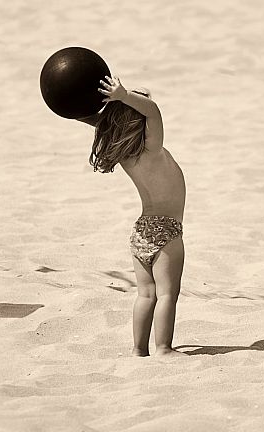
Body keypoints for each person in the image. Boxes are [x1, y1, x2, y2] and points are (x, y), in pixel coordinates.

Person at [80, 75, 187, 357]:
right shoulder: (152, 150)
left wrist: (75, 110)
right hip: (166, 230)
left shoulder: (127, 154)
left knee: (146, 295)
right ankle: (163, 348)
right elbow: (153, 111)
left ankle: (139, 349)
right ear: (143, 125)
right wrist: (123, 95)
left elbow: (105, 124)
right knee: (166, 295)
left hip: (141, 232)